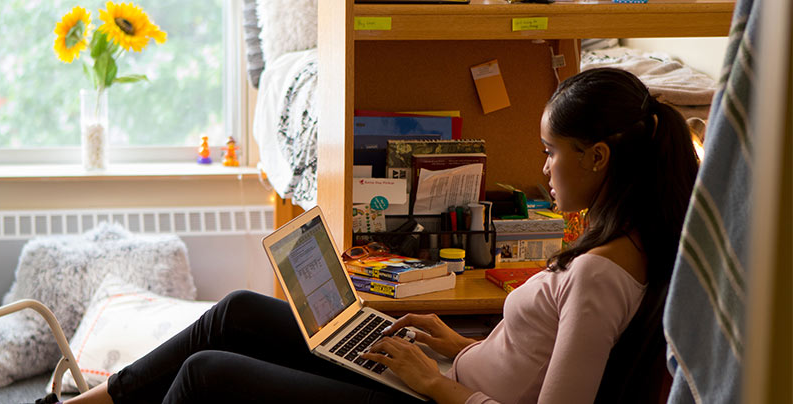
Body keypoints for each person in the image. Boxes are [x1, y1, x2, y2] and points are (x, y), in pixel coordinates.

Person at [58, 67, 698, 404]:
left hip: (437, 398)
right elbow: (533, 355)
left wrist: (434, 381)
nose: (543, 168)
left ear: (597, 158)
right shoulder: (620, 247)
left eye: (550, 152)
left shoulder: (602, 275)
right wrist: (452, 343)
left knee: (205, 377)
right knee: (240, 312)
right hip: (448, 373)